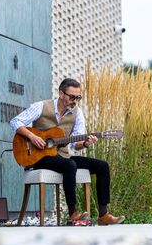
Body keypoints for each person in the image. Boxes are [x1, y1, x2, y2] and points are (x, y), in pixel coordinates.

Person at [10, 78, 125, 225]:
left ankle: (103, 215)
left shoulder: (77, 113)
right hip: (38, 156)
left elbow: (76, 145)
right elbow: (15, 121)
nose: (75, 101)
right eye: (72, 97)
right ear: (61, 93)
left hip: (62, 155)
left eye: (78, 97)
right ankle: (73, 213)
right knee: (69, 165)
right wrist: (32, 137)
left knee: (102, 166)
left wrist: (85, 143)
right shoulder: (42, 106)